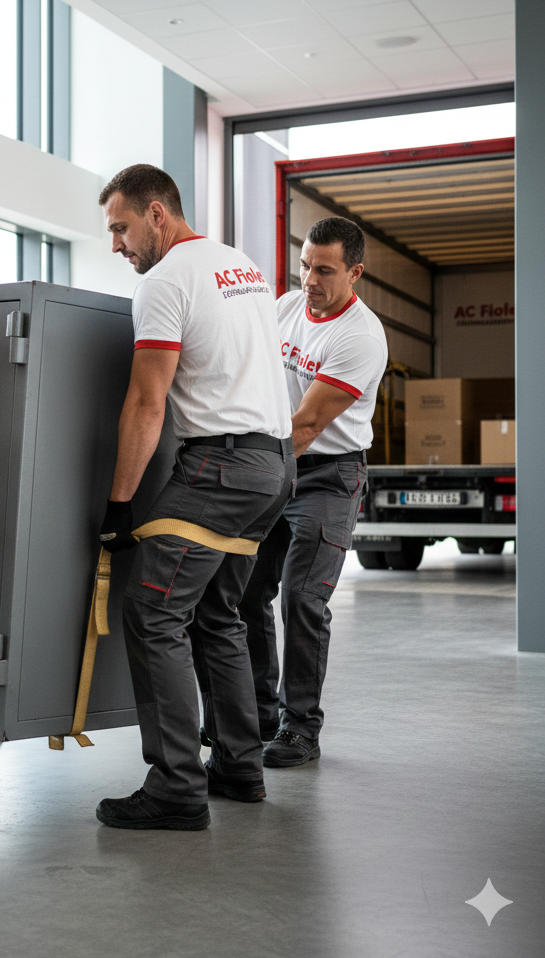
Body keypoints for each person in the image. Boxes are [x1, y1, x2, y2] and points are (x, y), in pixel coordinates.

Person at [93, 164, 294, 831]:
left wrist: (119, 505)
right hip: (274, 466)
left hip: (220, 470)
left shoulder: (164, 281)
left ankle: (177, 785)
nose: (116, 245)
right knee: (216, 613)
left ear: (158, 213)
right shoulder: (242, 266)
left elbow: (147, 401)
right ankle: (238, 764)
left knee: (153, 613)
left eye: (121, 228)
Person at [240, 217, 387, 768]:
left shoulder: (359, 337)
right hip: (277, 463)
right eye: (305, 266)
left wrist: (251, 475)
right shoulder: (285, 308)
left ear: (354, 272)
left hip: (328, 474)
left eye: (324, 270)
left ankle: (301, 728)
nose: (310, 280)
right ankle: (257, 715)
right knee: (246, 591)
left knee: (303, 599)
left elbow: (305, 425)